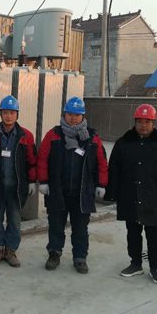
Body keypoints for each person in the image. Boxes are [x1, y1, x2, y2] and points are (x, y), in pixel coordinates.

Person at [106, 104, 157, 285]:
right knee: (133, 233)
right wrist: (112, 193)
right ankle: (136, 264)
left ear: (154, 123)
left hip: (154, 199)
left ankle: (155, 268)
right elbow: (114, 169)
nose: (143, 125)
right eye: (140, 121)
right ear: (135, 122)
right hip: (129, 196)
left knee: (154, 236)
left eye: (147, 121)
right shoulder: (123, 143)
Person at [37, 97, 108, 274]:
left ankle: (80, 258)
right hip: (57, 191)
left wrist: (101, 184)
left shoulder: (92, 137)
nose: (73, 118)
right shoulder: (53, 135)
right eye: (70, 114)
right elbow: (42, 159)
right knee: (55, 226)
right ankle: (54, 254)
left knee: (80, 229)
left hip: (82, 193)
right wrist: (43, 181)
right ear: (64, 114)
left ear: (82, 116)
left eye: (77, 115)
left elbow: (101, 162)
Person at [0, 95, 37, 268]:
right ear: (0, 114)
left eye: (12, 112)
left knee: (14, 221)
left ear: (17, 114)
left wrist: (32, 181)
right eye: (5, 112)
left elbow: (32, 161)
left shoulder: (26, 136)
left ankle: (10, 251)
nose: (8, 116)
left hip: (16, 189)